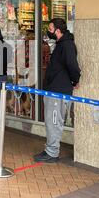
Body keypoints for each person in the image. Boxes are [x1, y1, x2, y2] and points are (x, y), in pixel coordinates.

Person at [34, 18, 81, 163]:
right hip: (53, 89)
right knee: (50, 121)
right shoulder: (61, 44)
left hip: (58, 90)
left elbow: (72, 65)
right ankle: (50, 148)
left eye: (50, 28)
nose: (48, 31)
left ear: (58, 30)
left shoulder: (66, 45)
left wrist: (75, 80)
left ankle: (52, 153)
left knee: (54, 121)